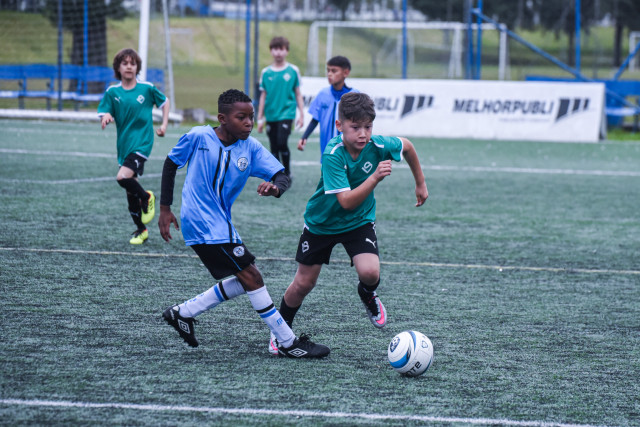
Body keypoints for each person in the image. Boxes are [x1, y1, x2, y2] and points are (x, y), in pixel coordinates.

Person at [159, 89, 329, 359]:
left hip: (220, 224)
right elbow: (171, 163)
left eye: (251, 117)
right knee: (253, 277)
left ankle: (182, 313)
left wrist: (275, 187)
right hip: (202, 223)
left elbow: (282, 175)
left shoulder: (250, 148)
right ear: (222, 118)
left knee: (245, 278)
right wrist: (165, 209)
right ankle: (287, 341)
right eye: (242, 117)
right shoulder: (198, 136)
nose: (249, 122)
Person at [268, 92, 428, 355]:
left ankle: (367, 294)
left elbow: (407, 146)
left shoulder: (378, 145)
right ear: (339, 126)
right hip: (322, 223)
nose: (363, 134)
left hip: (358, 221)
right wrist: (374, 178)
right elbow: (345, 201)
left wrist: (420, 183)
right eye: (355, 127)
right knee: (304, 284)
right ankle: (281, 331)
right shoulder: (333, 154)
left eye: (368, 126)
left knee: (370, 273)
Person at [98, 47, 170, 245]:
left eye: (133, 63)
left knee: (122, 177)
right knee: (130, 192)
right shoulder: (113, 92)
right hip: (124, 145)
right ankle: (141, 230)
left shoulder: (146, 88)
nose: (129, 67)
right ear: (118, 68)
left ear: (137, 67)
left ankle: (147, 197)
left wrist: (163, 124)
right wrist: (106, 116)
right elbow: (105, 110)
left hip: (142, 143)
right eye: (125, 63)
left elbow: (165, 102)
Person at [256, 36, 304, 178]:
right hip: (271, 115)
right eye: (275, 49)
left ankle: (287, 172)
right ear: (271, 51)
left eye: (281, 49)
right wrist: (259, 118)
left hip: (286, 114)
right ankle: (277, 175)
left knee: (282, 143)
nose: (278, 52)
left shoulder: (293, 70)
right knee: (274, 147)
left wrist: (301, 114)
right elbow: (263, 96)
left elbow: (298, 94)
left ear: (286, 51)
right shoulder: (266, 72)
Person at [297, 55, 357, 158]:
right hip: (327, 150)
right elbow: (315, 119)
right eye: (328, 70)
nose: (329, 74)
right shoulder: (322, 94)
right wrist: (304, 137)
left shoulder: (355, 96)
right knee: (326, 173)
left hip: (349, 151)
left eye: (334, 71)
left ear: (346, 72)